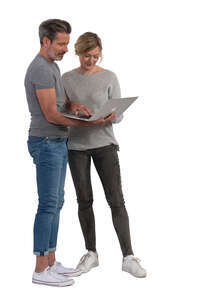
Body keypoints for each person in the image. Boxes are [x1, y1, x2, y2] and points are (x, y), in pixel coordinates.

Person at [25, 20, 115, 287]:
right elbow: (52, 114)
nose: (66, 48)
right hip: (47, 141)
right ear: (46, 42)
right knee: (47, 205)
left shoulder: (52, 67)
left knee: (57, 203)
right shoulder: (41, 69)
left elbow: (61, 104)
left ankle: (51, 261)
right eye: (61, 43)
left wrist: (74, 105)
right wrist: (90, 123)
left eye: (67, 43)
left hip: (57, 142)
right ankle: (40, 268)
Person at [62, 32, 147, 278]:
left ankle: (128, 256)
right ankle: (91, 253)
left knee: (116, 200)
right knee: (84, 200)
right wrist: (74, 111)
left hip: (104, 144)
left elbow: (118, 113)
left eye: (96, 56)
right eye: (87, 56)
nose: (91, 60)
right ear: (78, 52)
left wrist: (113, 116)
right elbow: (61, 109)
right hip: (76, 146)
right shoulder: (66, 79)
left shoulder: (110, 77)